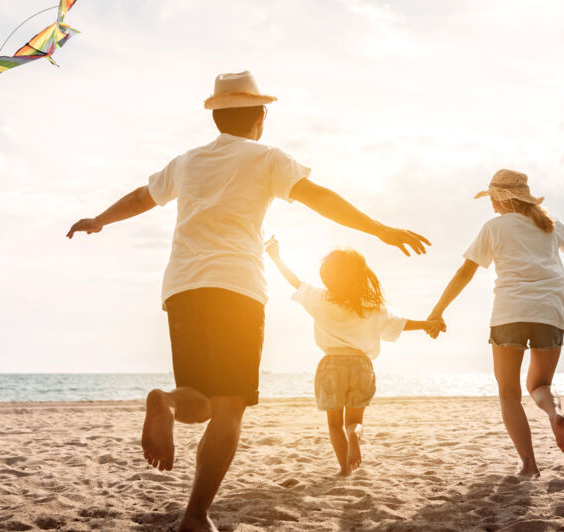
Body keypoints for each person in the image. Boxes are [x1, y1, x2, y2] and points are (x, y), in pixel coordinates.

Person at [65, 71, 430, 532]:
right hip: (237, 289)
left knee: (198, 401)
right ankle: (195, 515)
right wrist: (379, 229)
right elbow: (319, 199)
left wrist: (99, 220)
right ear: (260, 117)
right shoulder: (268, 159)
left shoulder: (187, 162)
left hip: (183, 287)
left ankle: (168, 405)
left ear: (216, 117)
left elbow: (142, 197)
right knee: (229, 406)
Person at [426, 169, 564, 477]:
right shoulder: (551, 225)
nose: (491, 205)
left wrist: (437, 311)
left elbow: (465, 273)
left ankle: (528, 464)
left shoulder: (494, 227)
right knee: (540, 385)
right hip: (550, 313)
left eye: (492, 199)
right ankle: (555, 412)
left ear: (501, 198)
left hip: (510, 314)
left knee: (509, 394)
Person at [264, 237, 443, 476]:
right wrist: (427, 324)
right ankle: (354, 434)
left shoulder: (320, 299)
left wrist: (276, 257)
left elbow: (295, 281)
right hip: (361, 365)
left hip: (331, 365)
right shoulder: (371, 306)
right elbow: (400, 323)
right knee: (354, 421)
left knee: (333, 423)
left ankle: (345, 469)